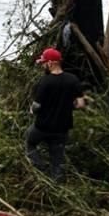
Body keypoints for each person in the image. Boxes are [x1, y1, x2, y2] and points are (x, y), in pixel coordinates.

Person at [25, 47, 89, 180]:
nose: (43, 66)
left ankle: (40, 166)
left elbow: (37, 106)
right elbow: (81, 104)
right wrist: (68, 106)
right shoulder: (73, 80)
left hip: (42, 126)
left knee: (30, 143)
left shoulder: (45, 82)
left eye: (44, 63)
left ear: (51, 63)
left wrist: (31, 111)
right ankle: (57, 182)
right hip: (62, 128)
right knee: (57, 159)